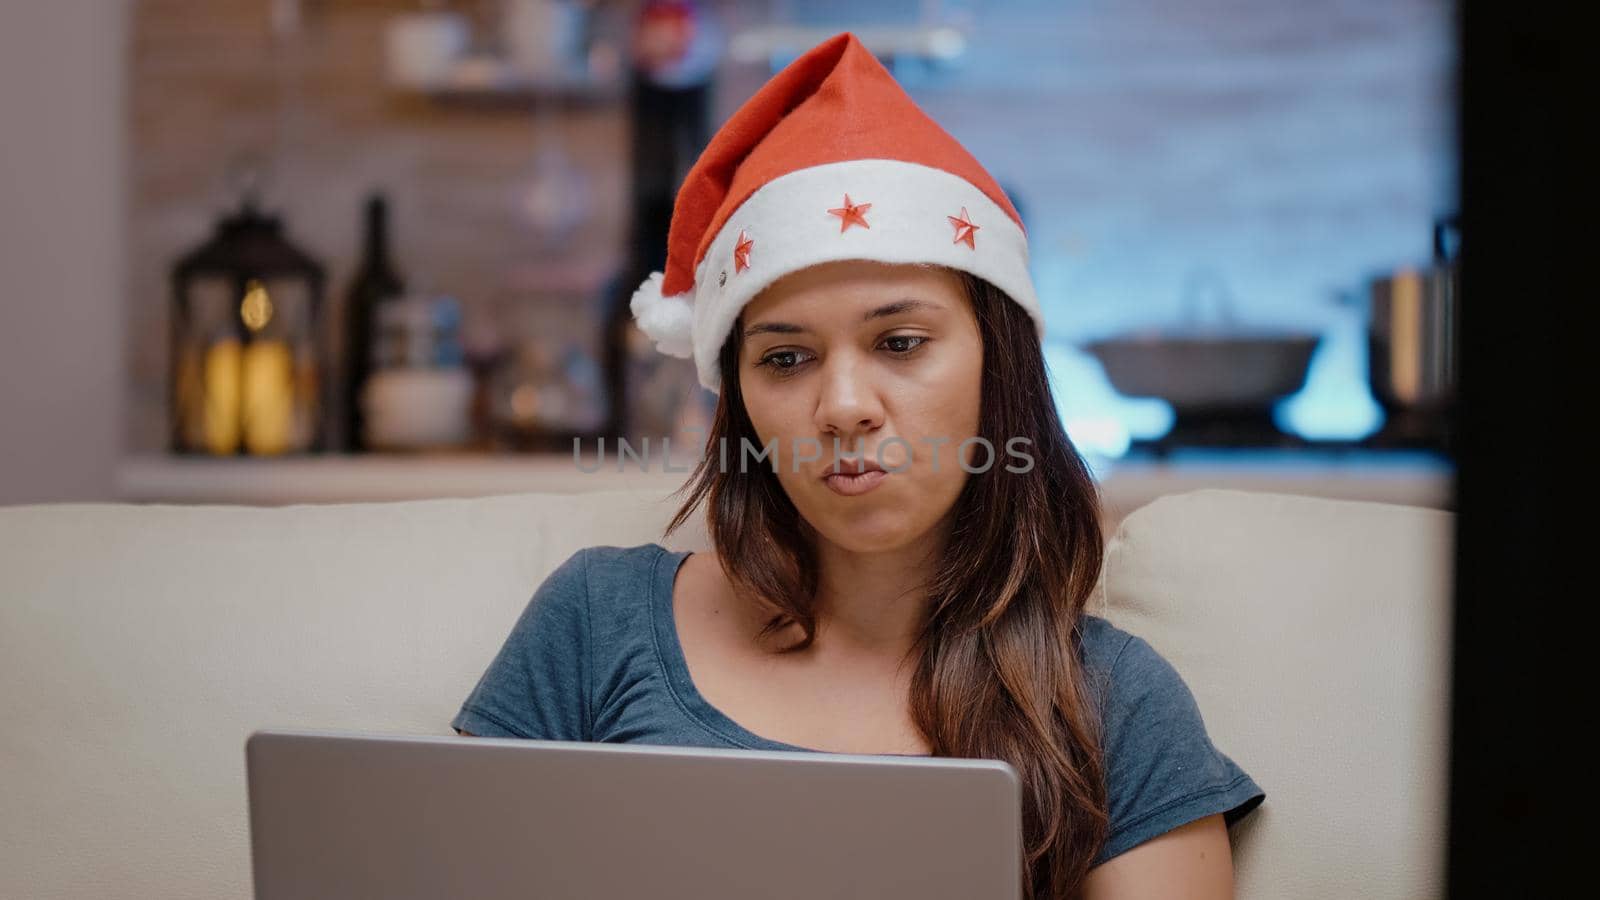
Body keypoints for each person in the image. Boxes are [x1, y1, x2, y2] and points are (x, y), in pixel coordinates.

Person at [452, 31, 1264, 899]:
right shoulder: (594, 621)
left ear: (1002, 368)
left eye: (901, 342)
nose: (842, 406)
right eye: (786, 359)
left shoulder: (1115, 702)